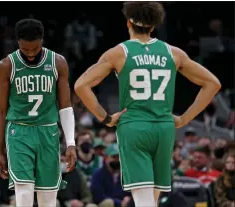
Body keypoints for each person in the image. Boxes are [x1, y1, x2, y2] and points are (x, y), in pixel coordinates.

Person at [74, 2, 221, 207]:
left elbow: (81, 85)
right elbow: (213, 83)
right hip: (164, 127)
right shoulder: (174, 53)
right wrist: (184, 119)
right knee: (152, 199)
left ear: (128, 23)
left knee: (143, 200)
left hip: (134, 126)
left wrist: (106, 118)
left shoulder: (118, 52)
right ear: (153, 27)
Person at [0, 18, 77, 207]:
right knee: (24, 191)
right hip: (19, 131)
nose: (31, 54)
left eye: (35, 49)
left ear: (42, 41)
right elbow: (0, 111)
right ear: (18, 43)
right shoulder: (6, 65)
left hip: (48, 130)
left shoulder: (58, 62)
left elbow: (65, 106)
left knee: (48, 196)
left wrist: (70, 143)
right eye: (26, 50)